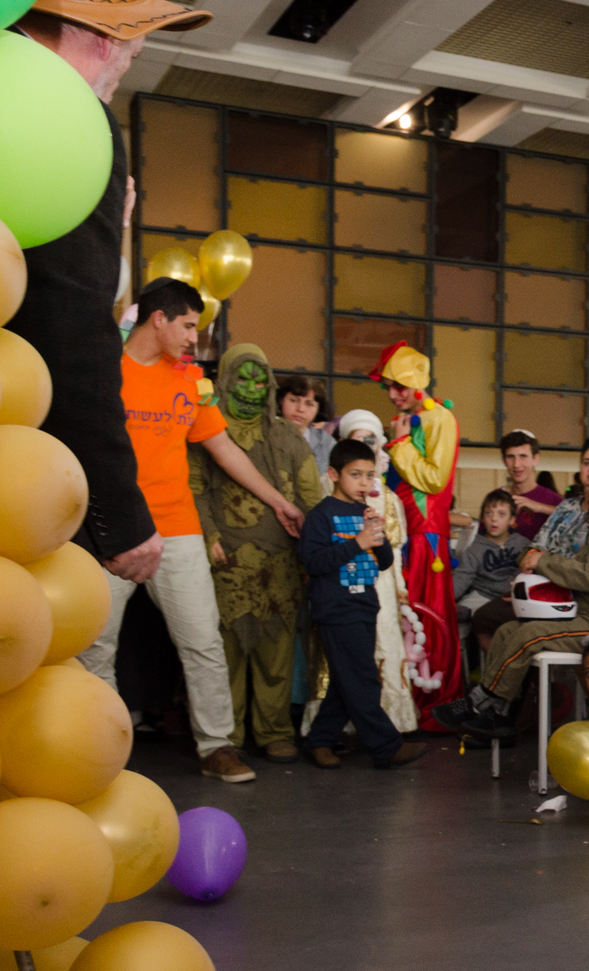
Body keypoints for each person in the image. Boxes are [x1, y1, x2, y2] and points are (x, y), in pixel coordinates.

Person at [7, 0, 209, 590]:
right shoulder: (72, 120)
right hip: (0, 461)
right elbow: (68, 324)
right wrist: (115, 512)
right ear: (99, 35)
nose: (127, 63)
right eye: (131, 48)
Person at [81, 278, 303, 784]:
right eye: (186, 326)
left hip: (178, 529)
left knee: (203, 640)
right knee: (95, 646)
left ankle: (216, 746)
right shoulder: (102, 372)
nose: (192, 339)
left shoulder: (189, 381)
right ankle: (98, 747)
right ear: (157, 318)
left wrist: (279, 501)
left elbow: (224, 450)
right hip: (111, 529)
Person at [432, 473, 589, 736]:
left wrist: (543, 561)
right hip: (582, 617)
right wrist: (534, 568)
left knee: (529, 634)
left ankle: (478, 701)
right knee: (508, 630)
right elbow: (570, 573)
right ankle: (499, 714)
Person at [188, 342, 323, 765]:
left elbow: (310, 498)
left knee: (276, 653)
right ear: (225, 381)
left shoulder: (287, 438)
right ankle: (225, 736)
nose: (251, 388)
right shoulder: (206, 431)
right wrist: (209, 535)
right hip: (225, 562)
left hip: (281, 565)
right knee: (223, 654)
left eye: (259, 380)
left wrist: (312, 550)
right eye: (242, 378)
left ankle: (274, 732)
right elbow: (194, 488)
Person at [299, 440, 428, 770]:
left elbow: (384, 562)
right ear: (333, 474)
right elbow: (313, 562)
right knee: (363, 678)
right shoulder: (320, 516)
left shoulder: (364, 513)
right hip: (336, 609)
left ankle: (319, 740)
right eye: (355, 474)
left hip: (365, 606)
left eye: (370, 476)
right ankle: (386, 746)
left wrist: (377, 532)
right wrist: (357, 542)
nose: (364, 483)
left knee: (347, 680)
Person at [368, 343, 462, 727]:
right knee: (407, 616)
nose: (392, 395)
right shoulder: (410, 419)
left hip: (426, 537)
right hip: (404, 534)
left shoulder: (440, 418)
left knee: (428, 616)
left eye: (399, 386)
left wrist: (401, 444)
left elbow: (435, 479)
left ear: (416, 383)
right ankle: (407, 701)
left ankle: (434, 703)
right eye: (388, 387)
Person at [531, 433, 589, 558]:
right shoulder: (567, 505)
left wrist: (543, 562)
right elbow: (537, 544)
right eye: (587, 463)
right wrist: (531, 555)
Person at [452, 490, 527, 633]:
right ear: (482, 518)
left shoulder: (523, 544)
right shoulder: (474, 547)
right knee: (460, 618)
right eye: (488, 513)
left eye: (501, 514)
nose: (494, 519)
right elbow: (462, 578)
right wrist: (444, 598)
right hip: (482, 595)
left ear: (512, 520)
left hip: (512, 598)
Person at [498, 428, 562, 543]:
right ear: (504, 460)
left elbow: (576, 520)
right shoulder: (495, 497)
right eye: (511, 457)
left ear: (535, 459)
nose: (516, 464)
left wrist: (540, 507)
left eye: (523, 456)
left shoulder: (554, 500)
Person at [278, 375, 334, 474]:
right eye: (293, 400)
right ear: (281, 400)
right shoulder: (264, 434)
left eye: (309, 404)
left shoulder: (326, 443)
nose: (300, 409)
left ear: (318, 409)